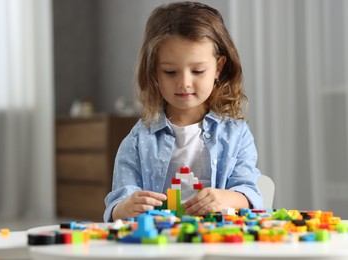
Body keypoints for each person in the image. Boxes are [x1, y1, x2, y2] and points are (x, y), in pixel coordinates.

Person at [103, 1, 263, 222]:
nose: (184, 83)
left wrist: (227, 198)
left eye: (197, 70)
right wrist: (125, 208)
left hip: (217, 244)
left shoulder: (236, 135)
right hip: (159, 246)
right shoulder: (139, 140)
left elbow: (250, 194)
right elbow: (117, 204)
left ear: (218, 67)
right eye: (170, 72)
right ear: (154, 72)